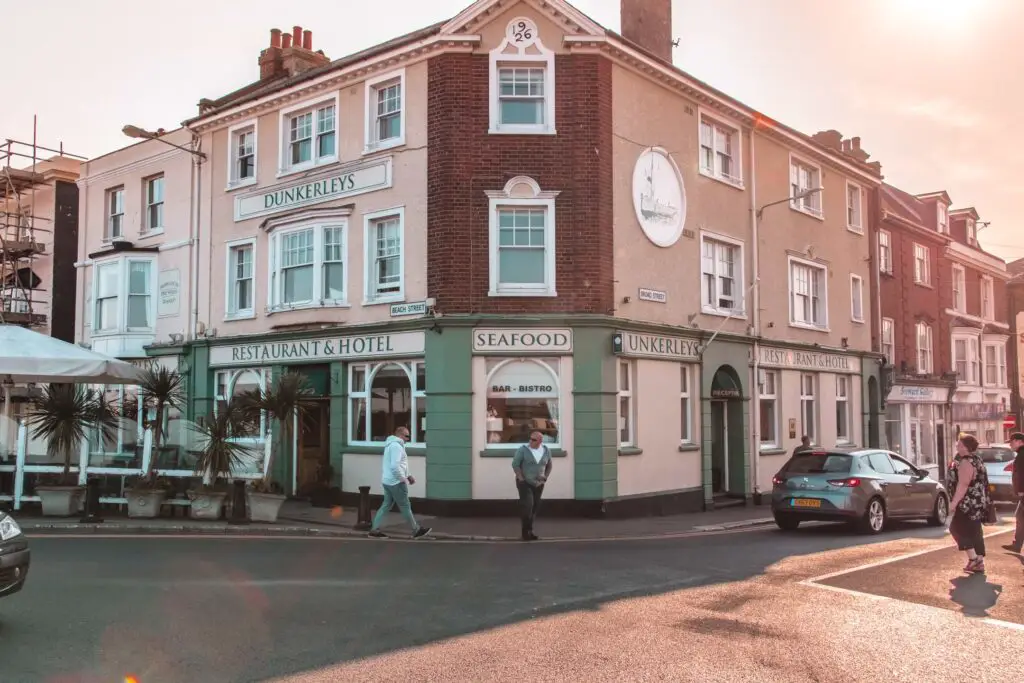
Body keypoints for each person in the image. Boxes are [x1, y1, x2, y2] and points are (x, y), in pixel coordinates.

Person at [367, 426, 431, 539]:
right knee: (405, 506)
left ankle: (374, 529)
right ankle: (416, 530)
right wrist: (403, 478)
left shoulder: (391, 444)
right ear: (400, 435)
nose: (408, 438)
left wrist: (409, 475)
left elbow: (402, 464)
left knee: (386, 505)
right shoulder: (396, 446)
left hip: (387, 481)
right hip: (396, 482)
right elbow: (395, 466)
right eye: (406, 436)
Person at [948, 434, 989, 573]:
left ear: (967, 447)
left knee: (956, 528)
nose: (957, 447)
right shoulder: (977, 459)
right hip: (977, 501)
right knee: (974, 531)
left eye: (960, 445)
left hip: (967, 503)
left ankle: (974, 560)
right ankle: (979, 561)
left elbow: (963, 485)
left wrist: (953, 503)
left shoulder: (966, 462)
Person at [512, 430, 552, 541]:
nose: (530, 441)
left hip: (539, 484)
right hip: (525, 483)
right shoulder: (523, 450)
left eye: (533, 440)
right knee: (528, 506)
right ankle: (525, 532)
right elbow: (515, 464)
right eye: (530, 439)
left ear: (540, 441)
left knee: (534, 508)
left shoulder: (546, 450)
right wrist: (521, 478)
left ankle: (530, 531)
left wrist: (545, 477)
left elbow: (549, 465)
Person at [1001, 431, 1024, 553]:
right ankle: (1017, 544)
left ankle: (1017, 544)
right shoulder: (1020, 454)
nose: (1010, 444)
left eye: (1012, 441)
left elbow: (1021, 474)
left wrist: (1021, 490)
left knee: (1020, 517)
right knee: (1020, 517)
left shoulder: (1022, 455)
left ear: (1019, 441)